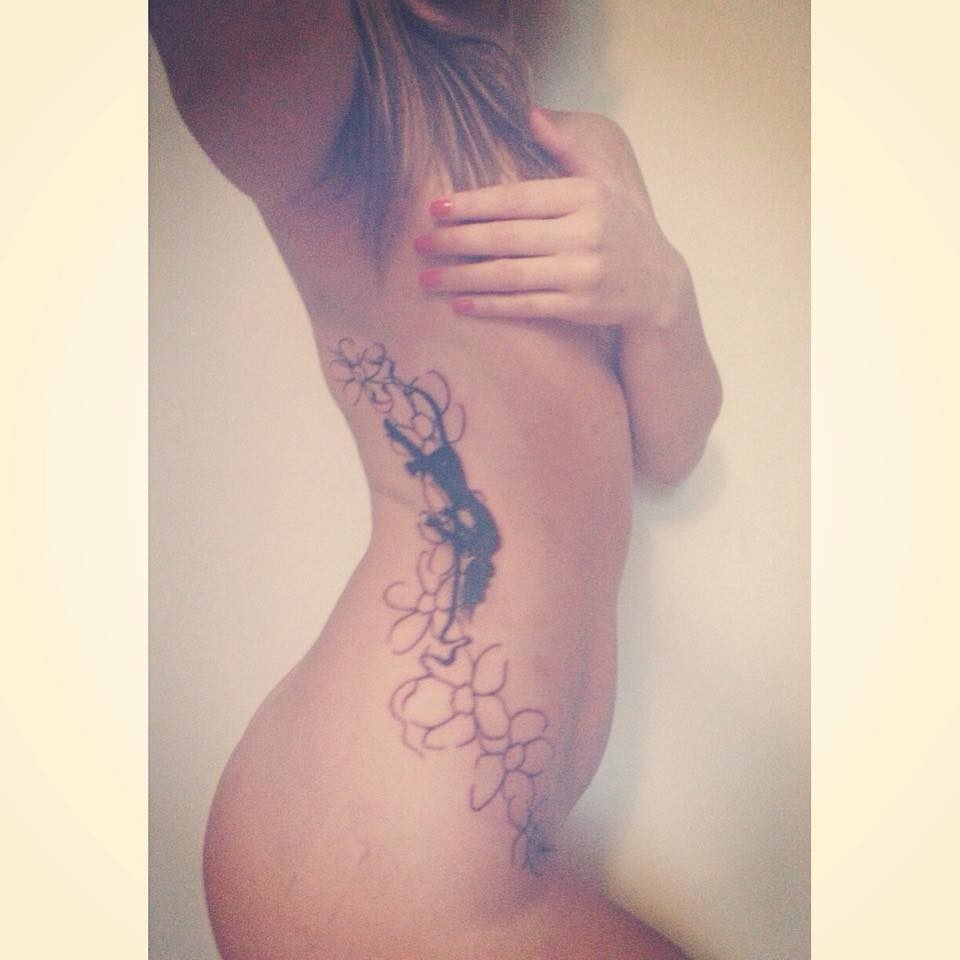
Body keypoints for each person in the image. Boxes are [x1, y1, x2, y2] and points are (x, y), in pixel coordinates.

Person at [150, 2, 722, 957]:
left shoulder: (589, 152)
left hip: (455, 847)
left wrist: (661, 289)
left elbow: (674, 449)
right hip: (376, 843)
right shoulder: (339, 105)